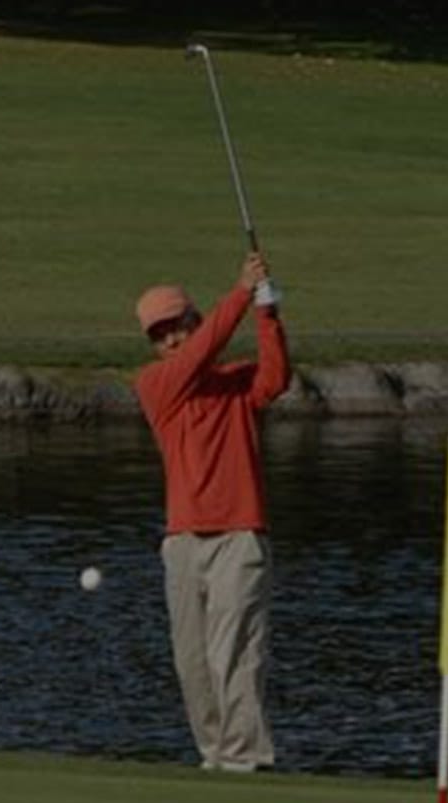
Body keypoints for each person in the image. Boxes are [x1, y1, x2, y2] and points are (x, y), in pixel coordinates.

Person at [133, 251, 288, 772]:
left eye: (179, 326)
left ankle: (246, 761)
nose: (173, 340)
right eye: (161, 334)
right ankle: (214, 758)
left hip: (239, 537)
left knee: (235, 654)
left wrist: (266, 310)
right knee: (193, 664)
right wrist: (241, 292)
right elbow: (199, 356)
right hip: (182, 543)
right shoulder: (156, 387)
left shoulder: (237, 384)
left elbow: (276, 378)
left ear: (195, 321)